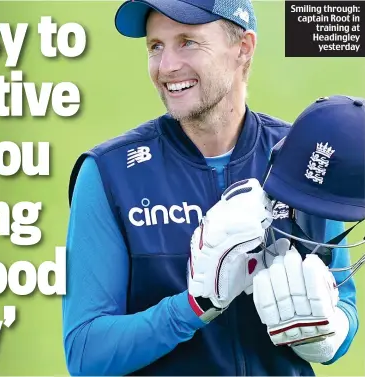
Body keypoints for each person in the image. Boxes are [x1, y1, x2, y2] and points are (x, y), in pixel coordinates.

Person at [62, 0, 359, 375]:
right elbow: (86, 353)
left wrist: (328, 334)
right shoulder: (108, 173)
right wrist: (195, 305)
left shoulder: (304, 157)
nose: (166, 66)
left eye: (187, 42)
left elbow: (343, 304)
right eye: (155, 46)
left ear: (243, 48)